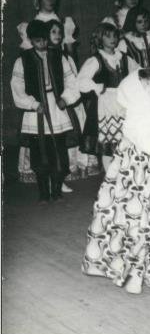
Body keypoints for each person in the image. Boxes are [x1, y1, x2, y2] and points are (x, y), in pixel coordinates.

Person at [82, 69, 150, 294]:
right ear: (138, 95)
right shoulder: (138, 117)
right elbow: (149, 141)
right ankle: (135, 270)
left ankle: (143, 269)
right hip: (139, 178)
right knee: (139, 222)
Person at [16, 0, 79, 185]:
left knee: (63, 128)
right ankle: (43, 174)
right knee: (41, 131)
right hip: (41, 88)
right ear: (38, 0)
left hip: (60, 79)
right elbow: (29, 62)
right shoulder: (31, 26)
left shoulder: (64, 23)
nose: (50, 1)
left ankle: (63, 172)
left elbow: (69, 53)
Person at [11, 20, 81, 201]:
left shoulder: (59, 57)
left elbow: (72, 81)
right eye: (37, 40)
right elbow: (17, 87)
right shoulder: (22, 60)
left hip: (57, 109)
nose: (42, 44)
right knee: (39, 150)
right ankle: (43, 192)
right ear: (31, 40)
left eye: (44, 39)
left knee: (58, 149)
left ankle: (56, 190)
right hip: (36, 112)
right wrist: (33, 104)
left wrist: (66, 98)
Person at [78, 22, 132, 173]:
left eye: (115, 36)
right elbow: (81, 80)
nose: (113, 39)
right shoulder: (96, 60)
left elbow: (138, 73)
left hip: (123, 104)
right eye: (108, 36)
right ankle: (110, 176)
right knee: (107, 146)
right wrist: (96, 87)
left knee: (123, 142)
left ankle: (123, 174)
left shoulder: (124, 58)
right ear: (100, 39)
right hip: (104, 106)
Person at [46, 19, 95, 183]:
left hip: (63, 100)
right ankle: (55, 175)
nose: (58, 35)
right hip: (48, 102)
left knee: (68, 135)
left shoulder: (64, 57)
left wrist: (66, 98)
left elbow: (72, 80)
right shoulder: (41, 56)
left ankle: (69, 169)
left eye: (60, 32)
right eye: (53, 32)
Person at [119, 6, 150, 71]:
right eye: (139, 22)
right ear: (132, 22)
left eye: (146, 21)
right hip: (134, 76)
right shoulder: (124, 43)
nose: (143, 24)